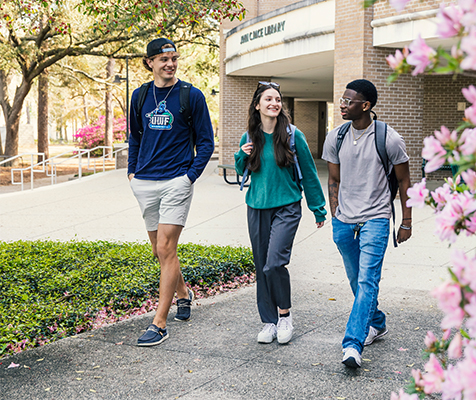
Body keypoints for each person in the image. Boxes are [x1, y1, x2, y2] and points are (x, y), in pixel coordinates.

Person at [127, 38, 215, 346]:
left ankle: (159, 323)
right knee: (160, 251)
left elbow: (206, 142)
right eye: (163, 59)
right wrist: (132, 171)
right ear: (149, 62)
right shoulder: (139, 96)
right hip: (144, 181)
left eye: (174, 58)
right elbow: (135, 137)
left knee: (166, 248)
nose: (170, 63)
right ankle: (183, 293)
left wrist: (189, 177)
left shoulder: (190, 96)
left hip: (176, 180)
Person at [321, 79, 412, 368]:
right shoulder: (335, 137)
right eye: (342, 99)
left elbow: (404, 180)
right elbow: (333, 179)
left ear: (366, 105)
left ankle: (352, 344)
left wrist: (407, 221)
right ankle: (377, 322)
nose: (343, 105)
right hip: (344, 220)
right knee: (355, 279)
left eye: (349, 101)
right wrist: (336, 214)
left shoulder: (389, 138)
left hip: (376, 217)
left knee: (366, 279)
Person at [234, 81, 327, 344]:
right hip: (256, 208)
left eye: (277, 99)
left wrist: (318, 208)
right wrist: (241, 155)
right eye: (268, 99)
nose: (274, 103)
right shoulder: (249, 137)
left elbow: (309, 173)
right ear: (257, 105)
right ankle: (268, 322)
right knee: (261, 266)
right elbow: (242, 171)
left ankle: (284, 315)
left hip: (287, 206)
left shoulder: (292, 135)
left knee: (274, 262)